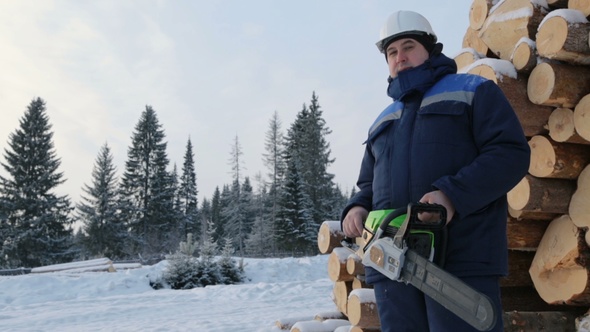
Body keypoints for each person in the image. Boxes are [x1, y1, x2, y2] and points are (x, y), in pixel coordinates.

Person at [340, 10, 530, 332]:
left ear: (430, 48)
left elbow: (510, 153)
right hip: (391, 264)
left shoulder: (474, 92)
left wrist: (452, 195)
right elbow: (369, 183)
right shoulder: (382, 121)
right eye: (392, 52)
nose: (400, 57)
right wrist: (358, 205)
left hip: (458, 262)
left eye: (408, 46)